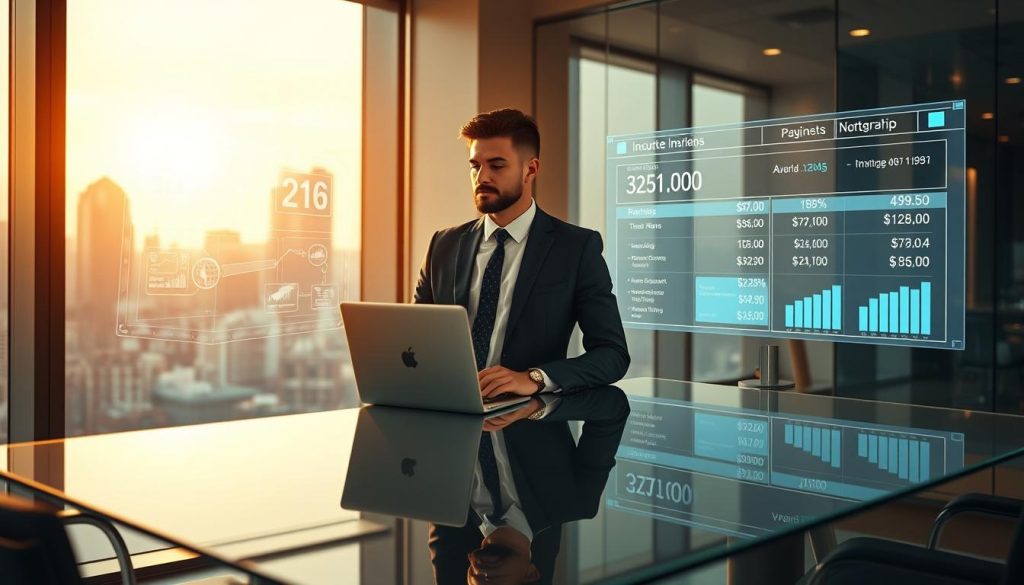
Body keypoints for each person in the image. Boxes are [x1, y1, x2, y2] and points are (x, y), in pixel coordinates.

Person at [414, 108, 630, 407]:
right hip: (446, 415)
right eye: (475, 166)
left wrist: (533, 378)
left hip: (531, 424)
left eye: (497, 165)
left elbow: (612, 355)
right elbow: (414, 338)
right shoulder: (443, 244)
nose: (482, 176)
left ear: (531, 169)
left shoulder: (576, 248)